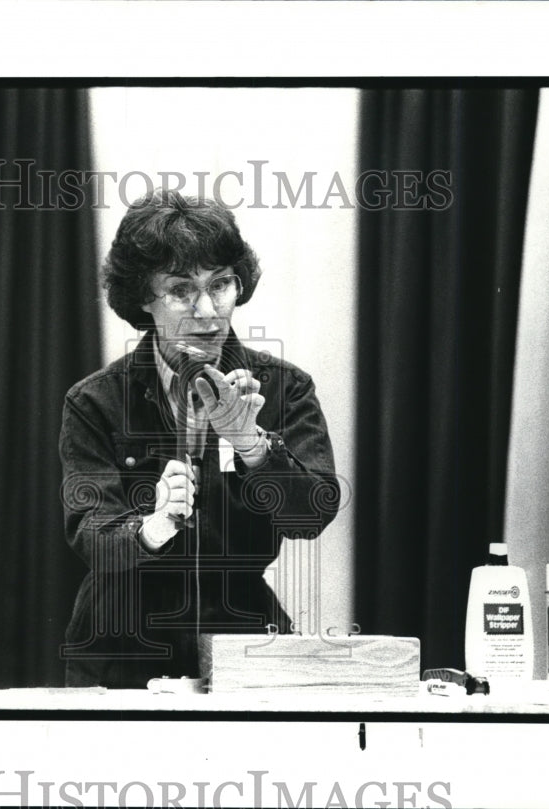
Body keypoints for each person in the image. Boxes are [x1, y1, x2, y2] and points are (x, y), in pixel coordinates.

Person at [59, 190, 340, 688]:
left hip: (242, 635)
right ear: (143, 298)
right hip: (120, 645)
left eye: (222, 284)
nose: (208, 311)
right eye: (181, 290)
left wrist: (253, 447)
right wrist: (154, 525)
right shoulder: (95, 401)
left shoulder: (283, 387)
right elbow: (90, 535)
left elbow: (312, 515)